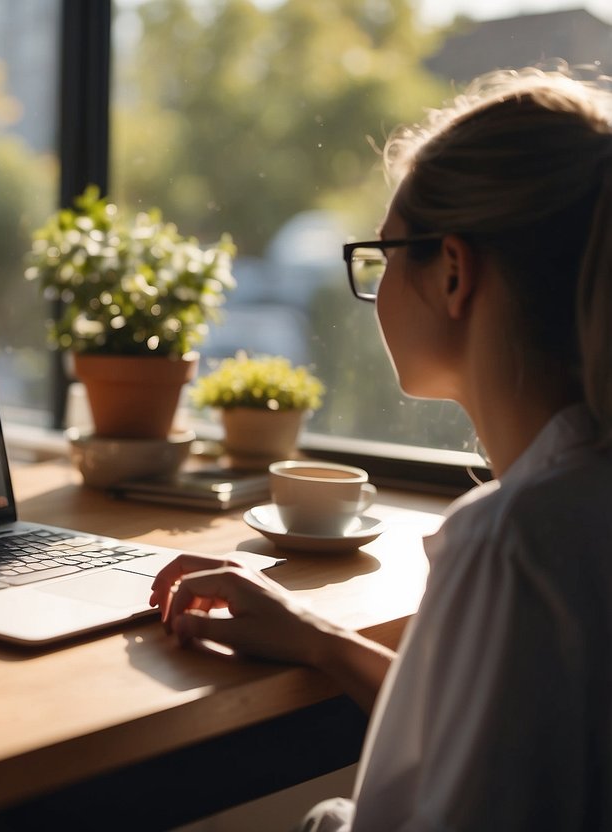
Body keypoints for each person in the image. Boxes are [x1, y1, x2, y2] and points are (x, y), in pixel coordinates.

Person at [150, 68, 612, 831]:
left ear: (454, 273)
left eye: (385, 253)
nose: (374, 283)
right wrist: (324, 642)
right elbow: (502, 735)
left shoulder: (514, 543)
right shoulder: (574, 504)